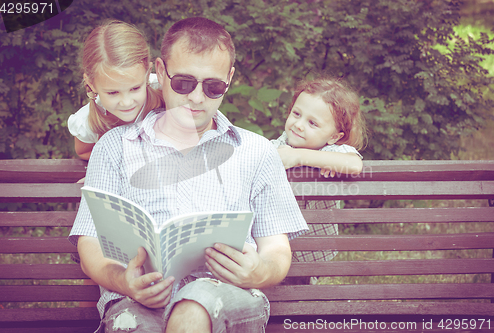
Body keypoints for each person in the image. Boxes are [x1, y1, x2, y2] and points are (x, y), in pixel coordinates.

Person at [69, 17, 308, 333]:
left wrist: (258, 271)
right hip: (139, 297)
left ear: (230, 79)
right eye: (183, 83)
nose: (197, 98)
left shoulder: (256, 151)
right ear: (160, 70)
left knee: (192, 311)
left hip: (225, 293)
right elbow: (91, 246)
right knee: (134, 325)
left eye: (213, 87)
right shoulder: (114, 147)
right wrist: (124, 282)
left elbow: (276, 250)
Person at [271, 77, 367, 285]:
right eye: (296, 114)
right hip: (275, 245)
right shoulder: (279, 145)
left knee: (297, 288)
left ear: (333, 136)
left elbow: (354, 165)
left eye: (312, 123)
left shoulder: (332, 151)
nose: (298, 125)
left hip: (309, 248)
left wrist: (301, 157)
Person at [67, 20, 163, 160]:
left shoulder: (166, 91)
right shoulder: (87, 121)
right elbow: (83, 152)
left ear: (147, 73)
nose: (126, 102)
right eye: (113, 92)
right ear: (91, 83)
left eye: (135, 88)